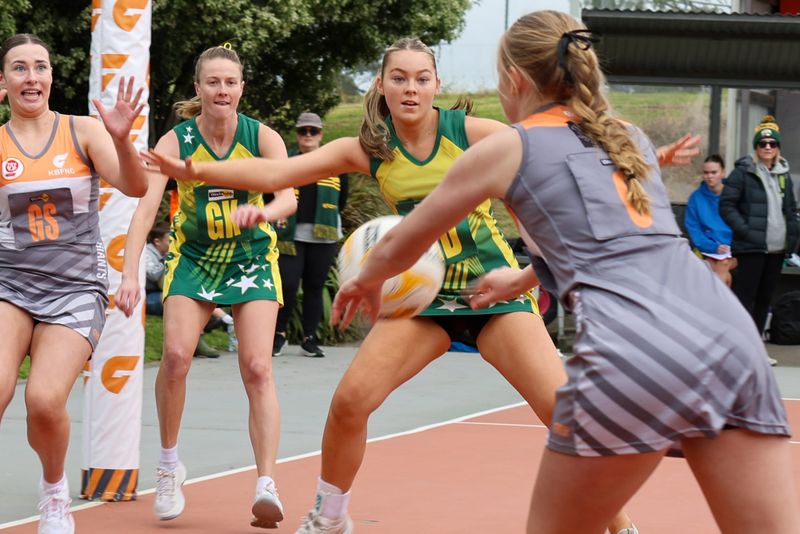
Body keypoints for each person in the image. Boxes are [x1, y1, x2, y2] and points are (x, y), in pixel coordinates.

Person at [143, 35, 701, 534]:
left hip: (493, 294)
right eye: (399, 77)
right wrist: (197, 171)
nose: (411, 88)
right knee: (350, 404)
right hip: (421, 300)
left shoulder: (469, 131)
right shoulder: (372, 149)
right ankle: (329, 515)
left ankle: (621, 525)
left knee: (563, 414)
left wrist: (639, 157)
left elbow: (557, 146)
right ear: (381, 87)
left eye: (422, 78)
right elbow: (273, 176)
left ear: (436, 85)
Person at [324, 11, 800, 533]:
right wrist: (525, 277)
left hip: (638, 351)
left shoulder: (507, 146)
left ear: (514, 80)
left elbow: (403, 241)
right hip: (727, 338)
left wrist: (366, 279)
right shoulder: (627, 137)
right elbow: (611, 242)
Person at [116, 45, 296, 528]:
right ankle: (170, 465)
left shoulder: (263, 138)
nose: (222, 90)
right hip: (193, 260)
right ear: (198, 89)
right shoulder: (175, 142)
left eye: (230, 82)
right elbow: (145, 210)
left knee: (257, 366)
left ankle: (266, 484)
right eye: (212, 82)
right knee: (175, 356)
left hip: (252, 258)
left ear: (241, 89)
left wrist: (264, 211)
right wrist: (131, 272)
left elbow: (288, 197)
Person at [0, 34, 148, 534]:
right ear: (3, 82)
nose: (31, 77)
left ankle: (54, 492)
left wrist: (124, 139)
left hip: (74, 288)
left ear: (50, 78)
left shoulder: (82, 131)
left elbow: (136, 186)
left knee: (42, 401)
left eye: (39, 67)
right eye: (19, 69)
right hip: (10, 285)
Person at [271, 112, 348, 358]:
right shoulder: (286, 162)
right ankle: (279, 335)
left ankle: (309, 338)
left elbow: (341, 200)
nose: (307, 135)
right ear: (297, 133)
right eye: (303, 131)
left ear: (320, 135)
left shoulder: (334, 164)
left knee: (314, 287)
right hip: (289, 234)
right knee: (288, 285)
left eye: (312, 131)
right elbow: (270, 192)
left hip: (323, 235)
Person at [720, 115, 799, 341]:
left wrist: (791, 237)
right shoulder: (743, 172)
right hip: (751, 248)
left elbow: (790, 209)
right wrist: (745, 231)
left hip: (776, 250)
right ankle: (741, 345)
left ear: (777, 147)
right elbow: (726, 205)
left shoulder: (784, 174)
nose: (767, 147)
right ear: (756, 147)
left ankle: (756, 349)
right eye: (762, 144)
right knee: (746, 297)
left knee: (765, 299)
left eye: (772, 144)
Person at [143, 220, 225, 357]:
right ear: (157, 242)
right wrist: (172, 259)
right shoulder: (147, 253)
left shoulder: (161, 254)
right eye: (169, 240)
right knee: (179, 301)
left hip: (159, 292)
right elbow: (154, 275)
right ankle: (205, 331)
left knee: (190, 296)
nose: (172, 243)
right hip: (146, 297)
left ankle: (205, 328)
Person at [684, 154, 736, 286]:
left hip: (734, 251)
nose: (709, 176)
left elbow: (742, 224)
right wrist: (714, 247)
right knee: (722, 270)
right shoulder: (695, 198)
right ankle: (724, 305)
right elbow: (694, 231)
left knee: (722, 266)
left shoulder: (734, 195)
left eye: (714, 172)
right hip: (707, 250)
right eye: (706, 173)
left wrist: (731, 247)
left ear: (723, 173)